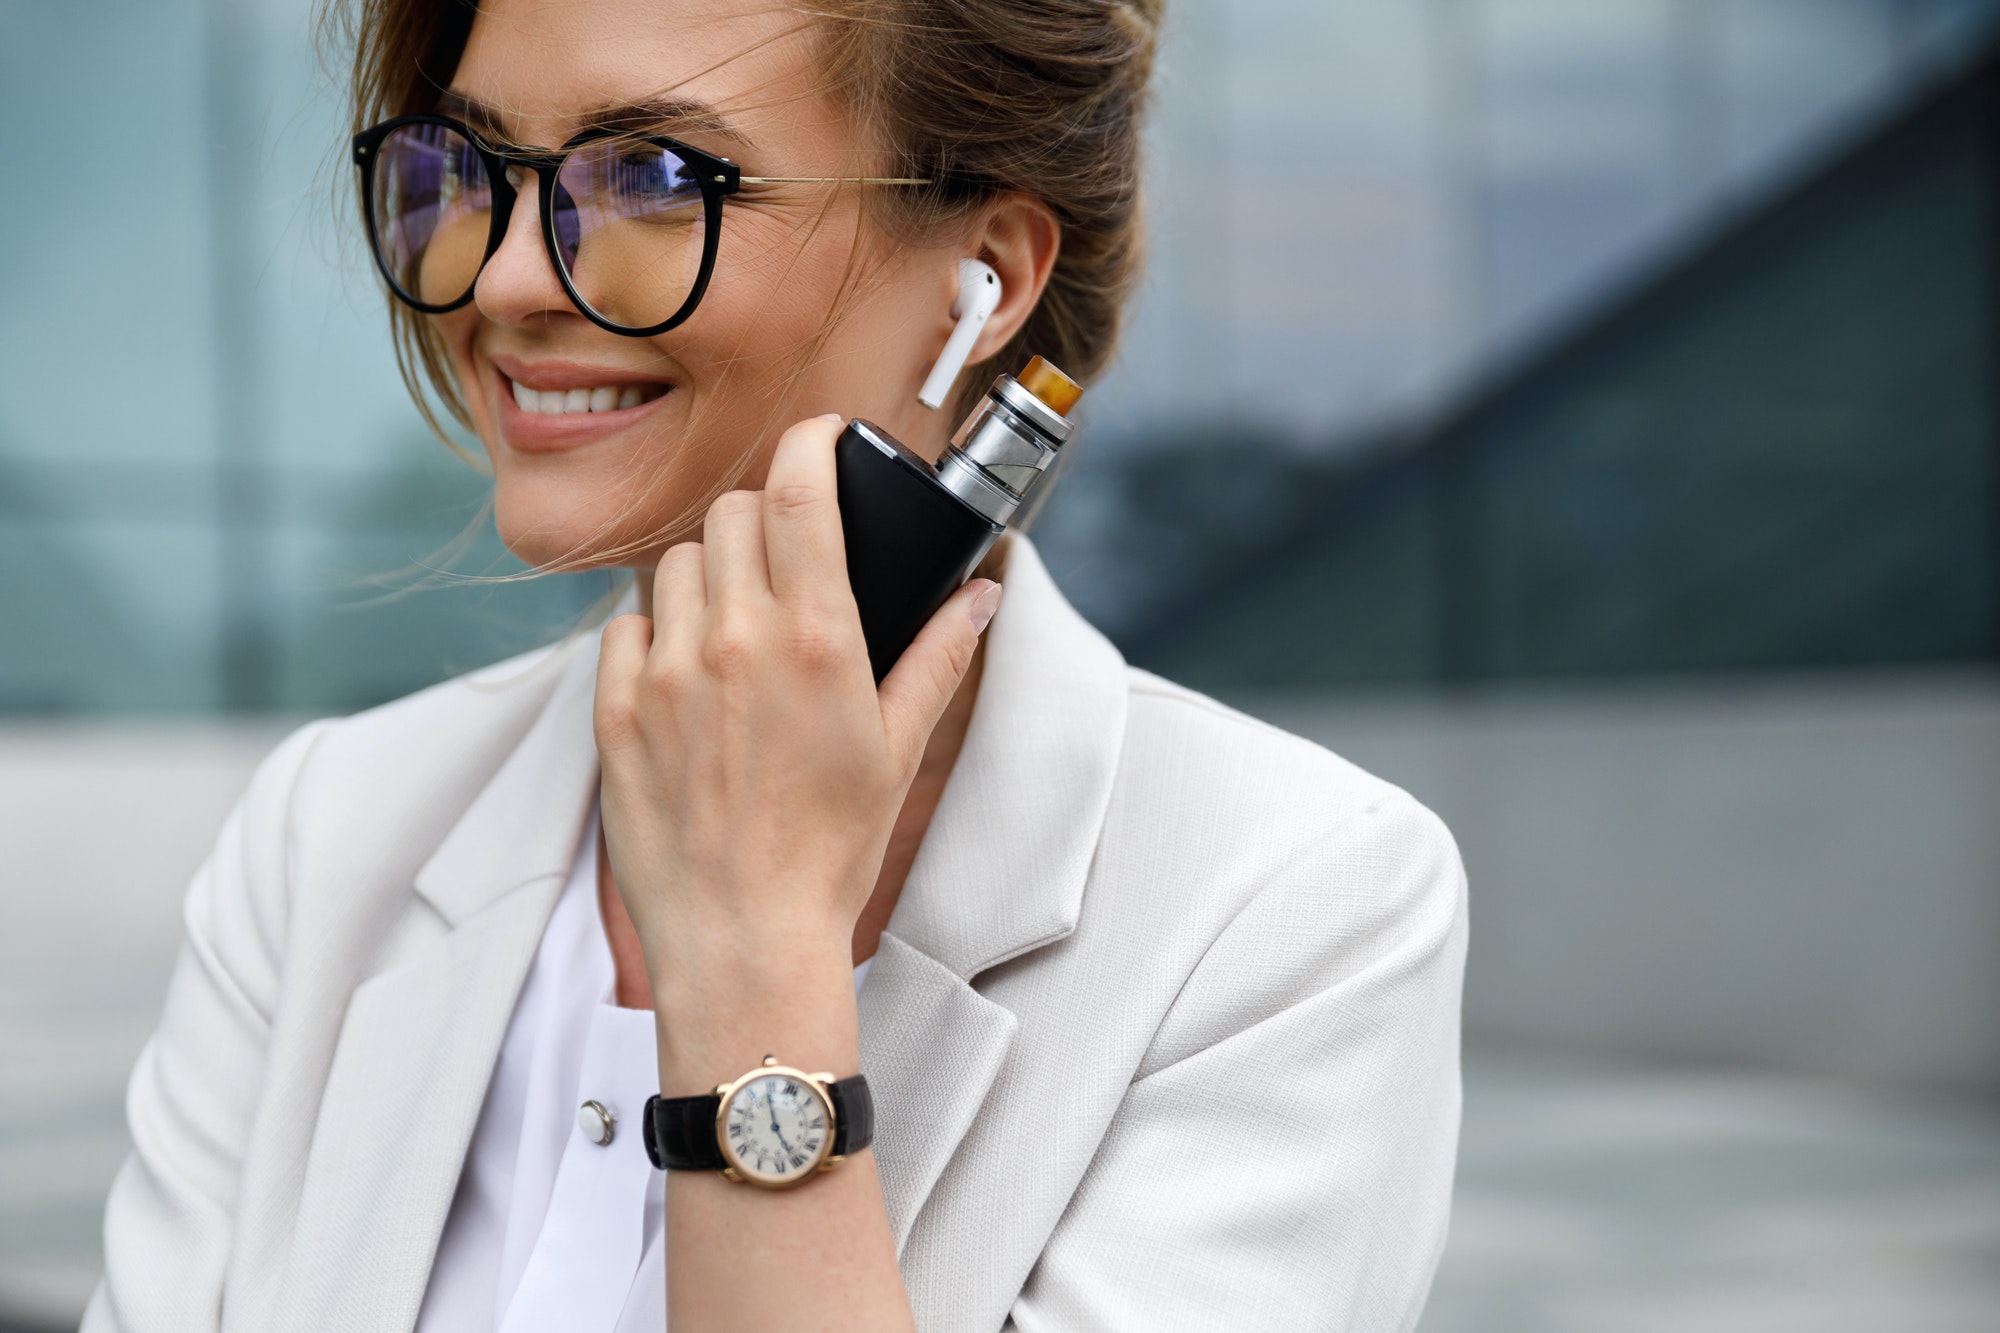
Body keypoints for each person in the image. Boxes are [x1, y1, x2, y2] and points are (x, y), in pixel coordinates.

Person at [86, 0, 1467, 1328]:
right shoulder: (328, 838)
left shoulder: (1291, 917)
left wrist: (754, 970)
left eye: (654, 176)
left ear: (986, 279)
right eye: (471, 166)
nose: (503, 274)